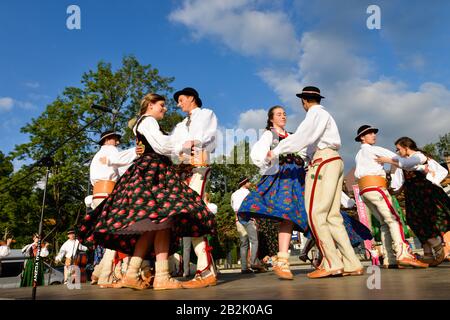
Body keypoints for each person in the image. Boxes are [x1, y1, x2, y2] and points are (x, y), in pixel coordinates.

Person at [77, 93, 216, 290]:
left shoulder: (145, 123)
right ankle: (161, 276)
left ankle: (134, 273)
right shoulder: (148, 121)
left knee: (154, 224)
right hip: (154, 172)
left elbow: (148, 147)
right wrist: (182, 146)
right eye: (161, 104)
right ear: (150, 105)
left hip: (150, 169)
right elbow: (161, 145)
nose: (165, 108)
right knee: (166, 218)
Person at [267, 86, 363, 279]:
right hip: (335, 160)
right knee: (332, 216)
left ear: (304, 101)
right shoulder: (326, 115)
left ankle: (331, 262)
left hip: (321, 162)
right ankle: (352, 262)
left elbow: (303, 138)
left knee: (315, 213)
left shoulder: (313, 115)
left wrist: (276, 151)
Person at [238, 106, 309, 279]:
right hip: (283, 177)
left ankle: (326, 258)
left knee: (310, 214)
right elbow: (258, 155)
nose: (283, 116)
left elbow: (306, 154)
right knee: (287, 215)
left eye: (284, 113)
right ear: (271, 119)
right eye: (279, 114)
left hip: (298, 177)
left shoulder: (292, 136)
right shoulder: (269, 135)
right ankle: (283, 261)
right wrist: (268, 161)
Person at [354, 125, 427, 268]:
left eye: (374, 132)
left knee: (384, 223)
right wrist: (421, 161)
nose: (373, 135)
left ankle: (389, 259)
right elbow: (403, 162)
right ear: (362, 137)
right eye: (369, 133)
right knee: (394, 219)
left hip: (364, 191)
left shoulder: (358, 155)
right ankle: (403, 254)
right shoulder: (375, 149)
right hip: (376, 186)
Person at [171, 87, 219, 288]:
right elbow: (172, 146)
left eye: (181, 99)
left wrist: (191, 144)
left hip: (199, 166)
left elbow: (207, 137)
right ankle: (207, 268)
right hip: (183, 170)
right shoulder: (181, 125)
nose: (178, 104)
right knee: (188, 216)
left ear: (191, 98)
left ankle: (205, 269)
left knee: (194, 212)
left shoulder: (205, 114)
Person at [376, 136, 450, 267]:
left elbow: (410, 165)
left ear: (406, 147)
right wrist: (391, 190)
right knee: (413, 220)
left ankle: (436, 246)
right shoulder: (401, 163)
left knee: (430, 219)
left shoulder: (419, 156)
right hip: (412, 195)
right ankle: (428, 252)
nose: (397, 152)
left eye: (399, 149)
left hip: (426, 192)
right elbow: (399, 182)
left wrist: (389, 160)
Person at [87, 130, 139, 287]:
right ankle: (105, 274)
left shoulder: (98, 157)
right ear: (108, 140)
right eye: (116, 139)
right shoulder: (110, 151)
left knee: (113, 234)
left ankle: (98, 271)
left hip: (98, 195)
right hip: (107, 194)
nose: (117, 142)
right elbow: (122, 162)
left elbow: (119, 166)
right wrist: (137, 150)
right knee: (117, 235)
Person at [231, 177, 265, 274]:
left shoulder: (234, 194)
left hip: (238, 219)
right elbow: (253, 207)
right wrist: (255, 219)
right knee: (254, 241)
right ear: (244, 183)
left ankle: (244, 267)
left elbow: (234, 208)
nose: (250, 183)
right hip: (248, 218)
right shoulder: (249, 193)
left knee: (243, 244)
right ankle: (254, 262)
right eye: (248, 182)